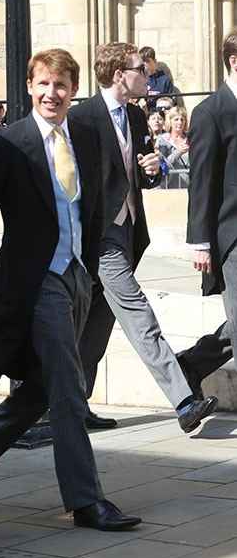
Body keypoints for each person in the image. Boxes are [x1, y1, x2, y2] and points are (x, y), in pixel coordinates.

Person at [0, 47, 142, 530]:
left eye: (61, 85)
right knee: (69, 386)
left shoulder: (84, 136)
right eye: (43, 84)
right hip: (35, 282)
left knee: (45, 386)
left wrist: (96, 261)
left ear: (73, 90)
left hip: (77, 276)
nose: (52, 93)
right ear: (29, 87)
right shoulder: (9, 144)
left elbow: (99, 199)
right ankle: (86, 501)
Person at [70, 42, 217, 433]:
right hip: (98, 238)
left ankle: (75, 405)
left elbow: (140, 174)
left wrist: (152, 168)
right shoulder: (82, 119)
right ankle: (184, 399)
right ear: (120, 74)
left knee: (98, 325)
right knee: (138, 313)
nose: (148, 76)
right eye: (141, 69)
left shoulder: (135, 117)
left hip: (129, 233)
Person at [179, 29, 237, 392]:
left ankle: (189, 365)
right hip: (231, 234)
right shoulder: (210, 112)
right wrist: (199, 242)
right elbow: (201, 181)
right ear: (234, 61)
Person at [157, 106, 189, 188]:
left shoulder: (190, 139)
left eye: (182, 119)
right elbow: (163, 165)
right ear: (170, 121)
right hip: (170, 188)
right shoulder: (162, 140)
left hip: (190, 187)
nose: (180, 122)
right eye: (176, 119)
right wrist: (178, 152)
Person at [140, 46, 175, 110]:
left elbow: (170, 103)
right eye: (142, 62)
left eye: (147, 61)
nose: (144, 64)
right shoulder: (137, 80)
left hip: (159, 116)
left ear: (155, 61)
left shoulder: (164, 81)